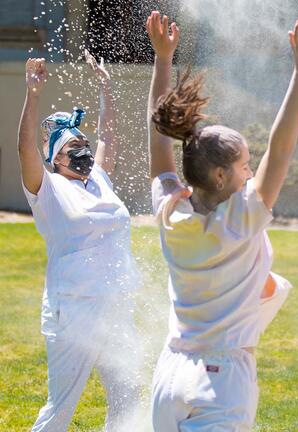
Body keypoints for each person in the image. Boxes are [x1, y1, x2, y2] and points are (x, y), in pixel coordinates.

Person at [144, 11, 298, 430]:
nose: (252, 170)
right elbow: (281, 149)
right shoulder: (242, 220)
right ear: (221, 176)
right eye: (245, 164)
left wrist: (163, 59)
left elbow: (159, 142)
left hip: (170, 374)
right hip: (219, 382)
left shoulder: (171, 211)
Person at [18, 52, 142, 431]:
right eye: (75, 148)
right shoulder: (48, 188)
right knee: (62, 407)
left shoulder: (99, 179)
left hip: (115, 304)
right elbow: (24, 149)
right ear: (55, 158)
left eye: (85, 146)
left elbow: (109, 136)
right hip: (73, 310)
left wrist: (106, 88)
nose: (85, 153)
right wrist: (33, 94)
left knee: (129, 395)